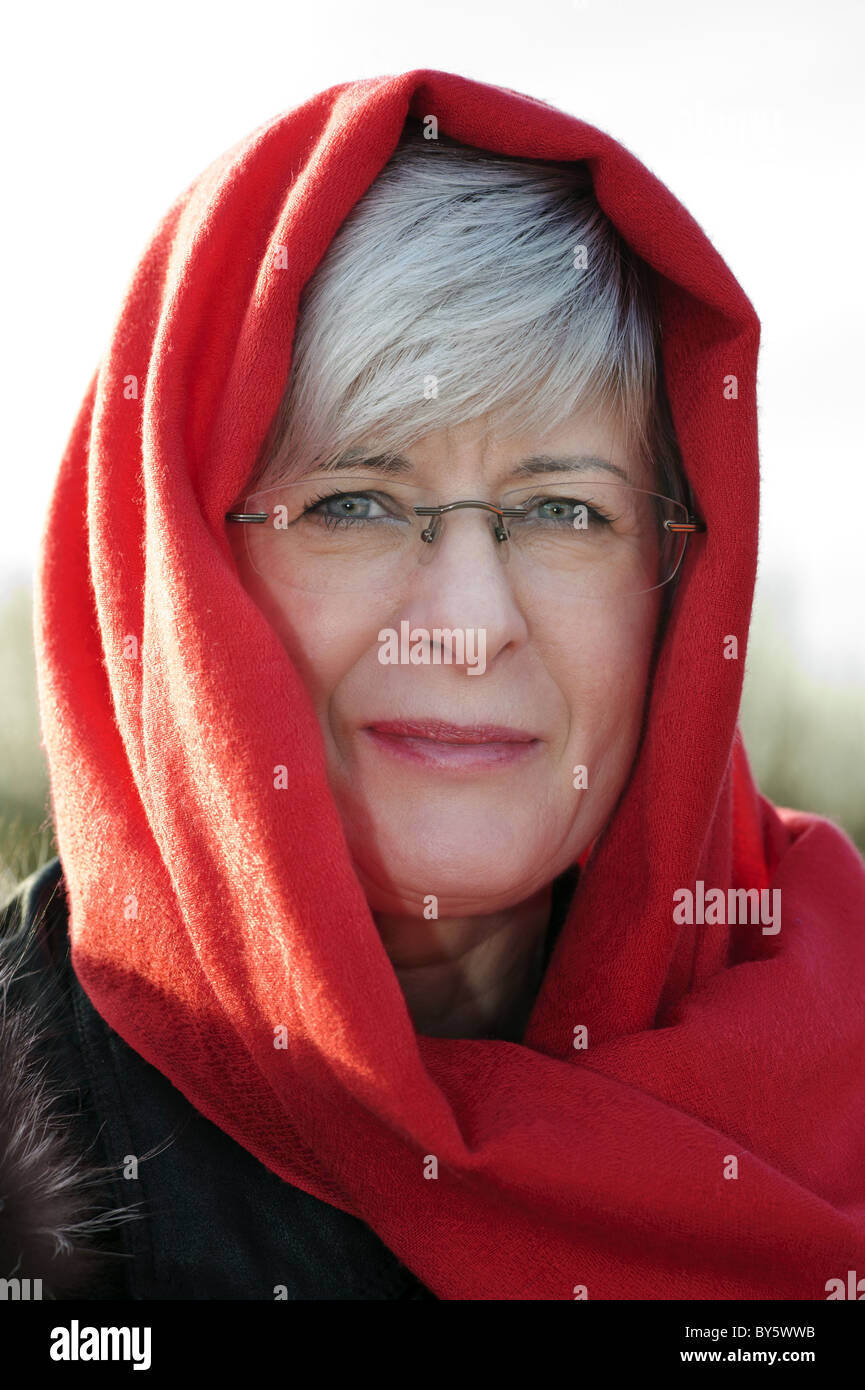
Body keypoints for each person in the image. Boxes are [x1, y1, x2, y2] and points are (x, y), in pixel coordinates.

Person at [1, 68, 864, 1302]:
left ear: (679, 587)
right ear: (184, 576)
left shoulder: (839, 1040)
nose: (466, 628)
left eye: (564, 510)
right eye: (356, 502)